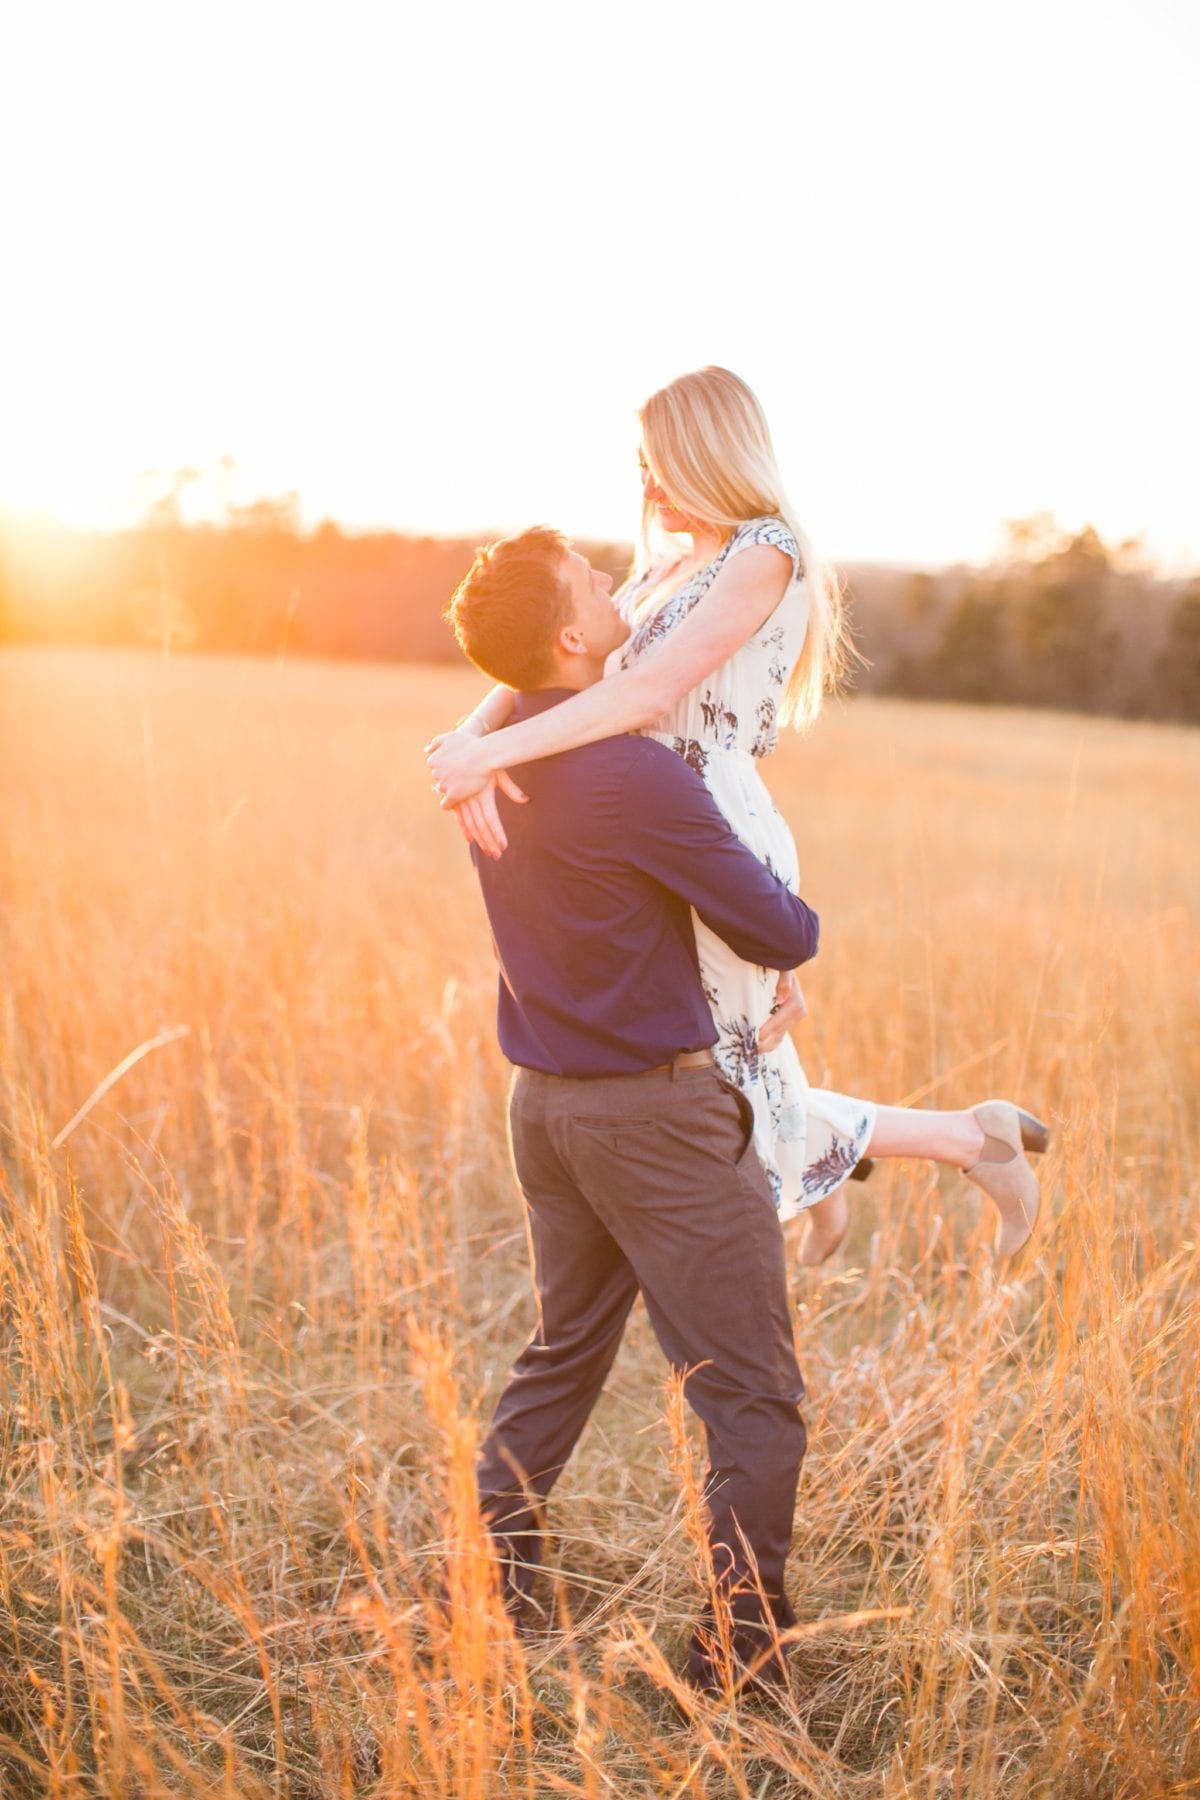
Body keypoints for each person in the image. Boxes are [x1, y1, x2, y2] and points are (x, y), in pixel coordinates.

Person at [428, 368, 1050, 1263]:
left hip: (700, 818)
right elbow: (547, 661)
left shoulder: (765, 552)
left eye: (658, 465)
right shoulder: (667, 563)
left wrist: (489, 755)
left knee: (705, 1074)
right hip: (632, 824)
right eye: (639, 467)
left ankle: (898, 1161)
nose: (645, 487)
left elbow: (645, 687)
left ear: (707, 454)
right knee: (706, 1066)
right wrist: (471, 737)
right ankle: (910, 1158)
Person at [445, 524, 821, 1691]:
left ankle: (491, 1591)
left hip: (544, 1110)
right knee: (755, 1398)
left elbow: (503, 699)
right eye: (594, 585)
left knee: (563, 1353)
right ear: (570, 635)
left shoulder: (497, 745)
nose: (618, 584)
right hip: (656, 1123)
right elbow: (783, 931)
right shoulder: (632, 773)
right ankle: (737, 1665)